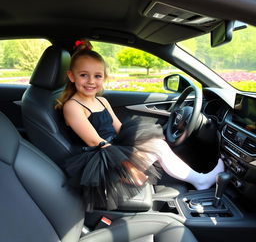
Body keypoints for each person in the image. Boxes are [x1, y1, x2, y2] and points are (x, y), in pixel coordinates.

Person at [55, 41, 224, 211]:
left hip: (113, 146)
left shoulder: (102, 100)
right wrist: (127, 164)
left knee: (157, 144)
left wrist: (141, 141)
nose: (91, 81)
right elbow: (94, 141)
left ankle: (199, 179)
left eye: (97, 76)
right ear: (71, 76)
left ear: (104, 78)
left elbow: (121, 129)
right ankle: (201, 181)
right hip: (101, 160)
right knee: (158, 148)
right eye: (84, 75)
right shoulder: (73, 106)